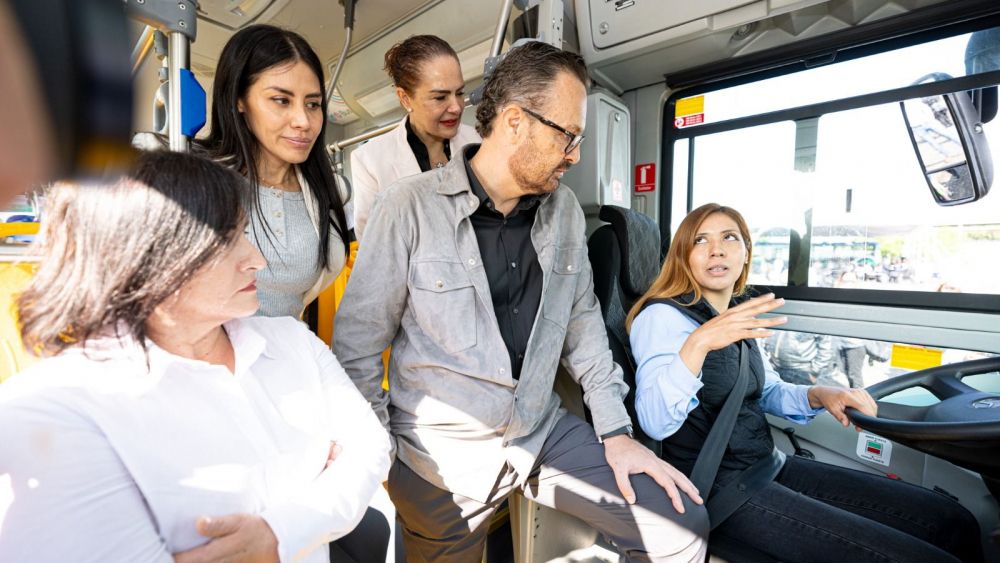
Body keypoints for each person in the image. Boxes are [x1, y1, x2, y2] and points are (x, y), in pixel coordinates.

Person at [333, 41, 708, 562]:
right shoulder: (409, 207)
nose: (574, 154)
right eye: (568, 136)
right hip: (441, 454)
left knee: (679, 524)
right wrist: (384, 457)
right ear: (514, 122)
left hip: (538, 430)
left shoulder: (567, 213)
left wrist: (617, 432)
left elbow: (583, 331)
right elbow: (356, 346)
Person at [0, 151, 391, 563]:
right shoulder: (52, 410)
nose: (257, 259)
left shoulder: (292, 341)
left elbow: (370, 449)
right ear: (147, 261)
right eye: (227, 241)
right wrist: (325, 487)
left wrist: (279, 535)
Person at [627, 203, 983, 563]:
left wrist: (818, 394)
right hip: (719, 487)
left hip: (767, 464)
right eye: (700, 240)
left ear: (745, 252)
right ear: (682, 256)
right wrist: (699, 343)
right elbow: (655, 422)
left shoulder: (735, 314)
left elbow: (764, 390)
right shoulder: (662, 317)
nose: (716, 249)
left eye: (729, 237)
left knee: (950, 520)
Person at [204, 24, 350, 319]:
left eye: (313, 104)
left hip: (285, 355)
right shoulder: (200, 182)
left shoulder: (330, 191)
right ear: (239, 100)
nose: (303, 121)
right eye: (282, 100)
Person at [350, 34, 481, 240]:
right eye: (440, 97)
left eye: (459, 92)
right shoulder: (370, 160)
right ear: (405, 98)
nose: (456, 107)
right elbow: (373, 243)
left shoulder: (476, 141)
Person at [763, 329, 834, 385]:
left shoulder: (814, 319)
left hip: (802, 371)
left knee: (798, 401)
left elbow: (825, 347)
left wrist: (815, 371)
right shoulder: (780, 313)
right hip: (775, 367)